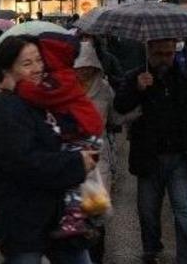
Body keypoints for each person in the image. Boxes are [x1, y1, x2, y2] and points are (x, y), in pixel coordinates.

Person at [0, 36, 96, 263]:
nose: (37, 68)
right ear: (8, 69)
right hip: (23, 220)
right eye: (27, 64)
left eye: (39, 61)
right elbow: (25, 162)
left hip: (58, 217)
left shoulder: (37, 99)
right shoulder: (9, 109)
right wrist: (76, 163)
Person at [114, 39, 187, 264]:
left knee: (184, 211)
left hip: (182, 156)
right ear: (148, 52)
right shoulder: (136, 76)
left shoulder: (185, 78)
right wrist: (137, 88)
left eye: (169, 54)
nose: (164, 58)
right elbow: (120, 107)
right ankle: (151, 248)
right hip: (148, 157)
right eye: (159, 54)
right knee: (147, 212)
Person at [15, 33, 105, 240]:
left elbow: (41, 95)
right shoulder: (63, 76)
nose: (39, 64)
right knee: (78, 176)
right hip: (84, 130)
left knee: (72, 177)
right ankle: (84, 217)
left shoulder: (59, 79)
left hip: (83, 132)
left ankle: (75, 220)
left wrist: (19, 85)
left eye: (40, 58)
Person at [73, 41, 117, 264]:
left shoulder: (105, 89)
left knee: (96, 213)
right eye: (78, 66)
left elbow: (115, 118)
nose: (81, 70)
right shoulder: (66, 88)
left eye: (86, 66)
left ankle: (96, 257)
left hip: (99, 159)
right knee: (76, 211)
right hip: (72, 156)